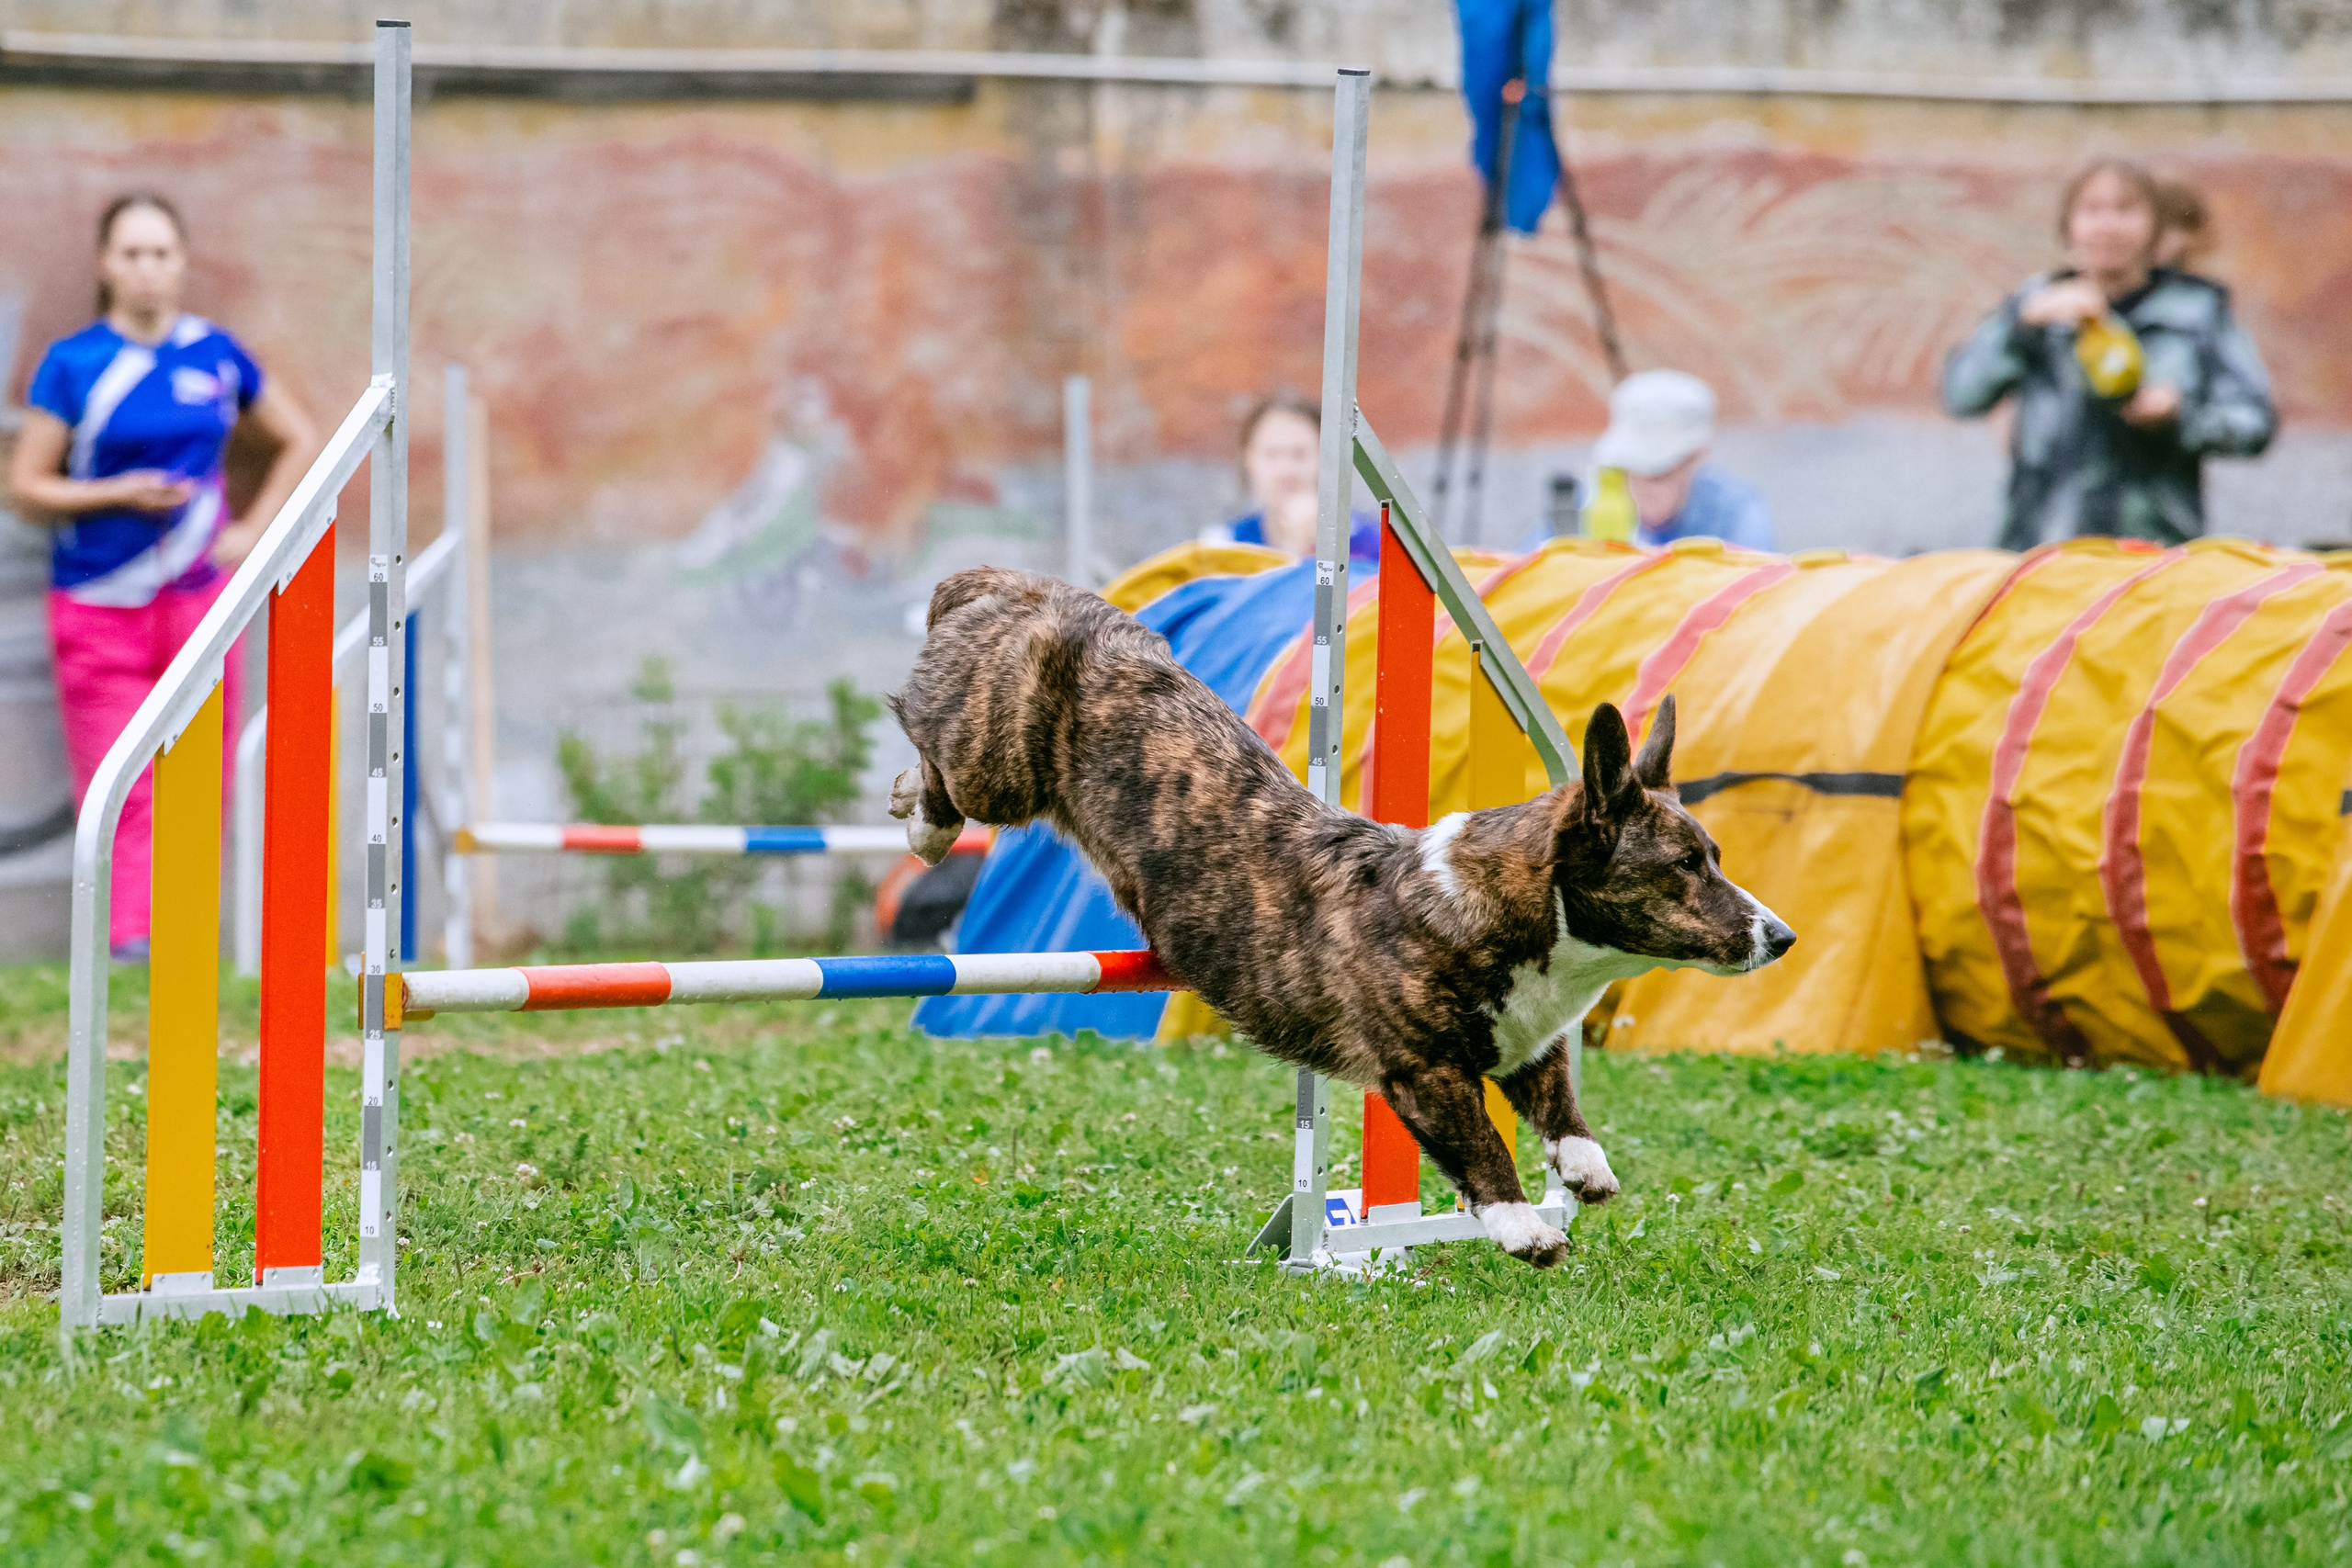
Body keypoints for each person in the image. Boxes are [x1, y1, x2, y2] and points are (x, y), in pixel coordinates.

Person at [8, 192, 317, 961]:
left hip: (198, 600)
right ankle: (124, 940)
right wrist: (117, 493)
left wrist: (250, 533)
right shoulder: (74, 363)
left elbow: (301, 438)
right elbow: (27, 485)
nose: (147, 269)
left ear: (182, 263)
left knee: (200, 779)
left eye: (161, 253)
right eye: (131, 253)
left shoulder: (217, 353)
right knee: (119, 781)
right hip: (95, 602)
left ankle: (184, 937)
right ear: (106, 265)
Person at [1942, 159, 2276, 550]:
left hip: (2155, 555)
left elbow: (2255, 424)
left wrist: (2181, 415)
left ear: (2154, 226)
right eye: (2092, 210)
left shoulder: (2195, 311)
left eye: (2126, 210)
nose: (2108, 225)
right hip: (2044, 551)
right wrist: (2020, 327)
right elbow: (1960, 395)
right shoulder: (2038, 305)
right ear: (2069, 226)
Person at [1589, 369, 1776, 551]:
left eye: (1657, 475)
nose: (1639, 489)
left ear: (1696, 457)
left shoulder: (1736, 513)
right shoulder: (1588, 506)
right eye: (1624, 470)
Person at [1200, 392, 1379, 559]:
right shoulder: (1221, 547)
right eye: (1272, 454)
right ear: (1248, 459)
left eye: (1299, 454)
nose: (1286, 470)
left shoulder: (1371, 546)